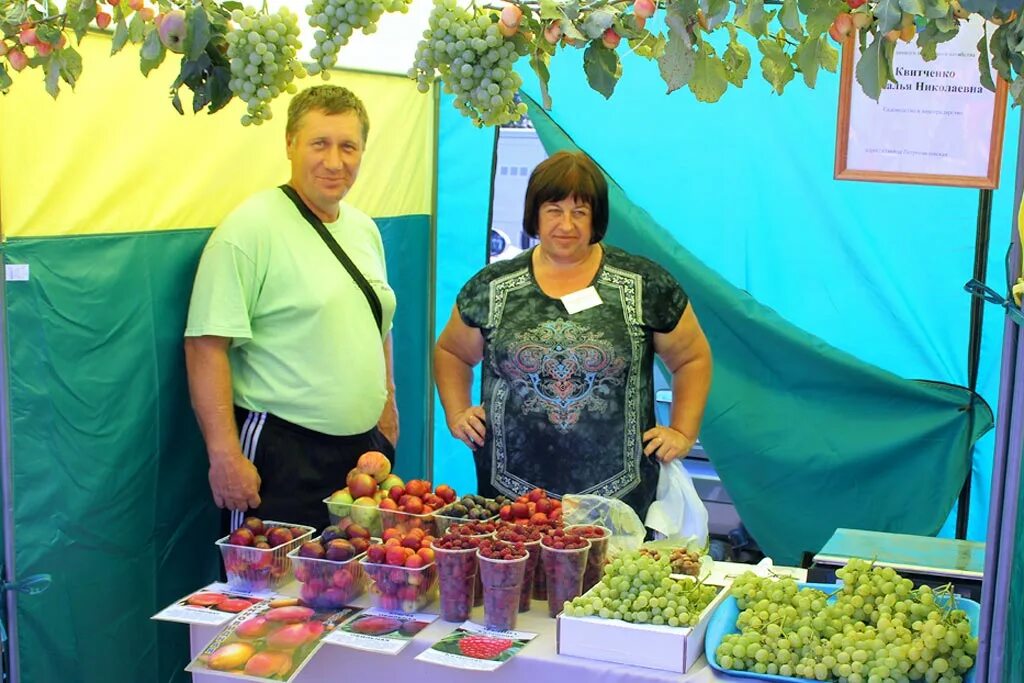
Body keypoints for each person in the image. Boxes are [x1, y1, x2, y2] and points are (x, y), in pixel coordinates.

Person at [434, 150, 711, 521]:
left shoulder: (645, 284)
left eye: (580, 211)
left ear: (596, 217)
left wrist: (682, 430)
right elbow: (451, 351)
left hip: (619, 497)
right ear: (534, 213)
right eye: (554, 210)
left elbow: (692, 358)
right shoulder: (493, 287)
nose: (567, 224)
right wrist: (456, 412)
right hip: (512, 498)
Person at [184, 85, 398, 532]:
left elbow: (376, 323)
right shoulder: (249, 229)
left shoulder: (364, 230)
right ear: (289, 144)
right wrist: (224, 455)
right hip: (280, 454)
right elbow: (206, 345)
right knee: (272, 591)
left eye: (348, 146)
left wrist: (387, 406)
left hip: (360, 458)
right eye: (319, 143)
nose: (334, 161)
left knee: (352, 587)